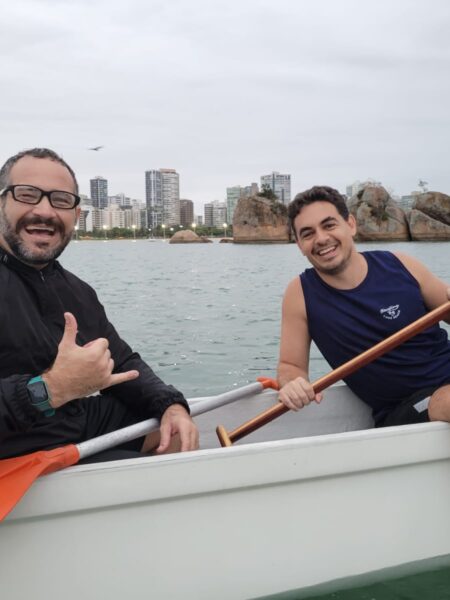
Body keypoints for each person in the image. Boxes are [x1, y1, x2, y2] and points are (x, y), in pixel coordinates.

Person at [0, 148, 198, 461]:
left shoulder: (76, 291)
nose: (45, 211)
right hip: (15, 451)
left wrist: (170, 404)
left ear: (76, 216)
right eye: (27, 195)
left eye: (61, 200)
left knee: (174, 434)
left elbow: (120, 362)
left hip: (69, 423)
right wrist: (49, 389)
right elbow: (51, 390)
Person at [278, 185, 450, 427]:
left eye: (329, 225)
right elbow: (291, 366)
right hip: (408, 406)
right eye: (307, 233)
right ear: (299, 244)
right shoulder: (300, 294)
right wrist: (292, 384)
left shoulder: (401, 264)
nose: (321, 238)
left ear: (350, 225)